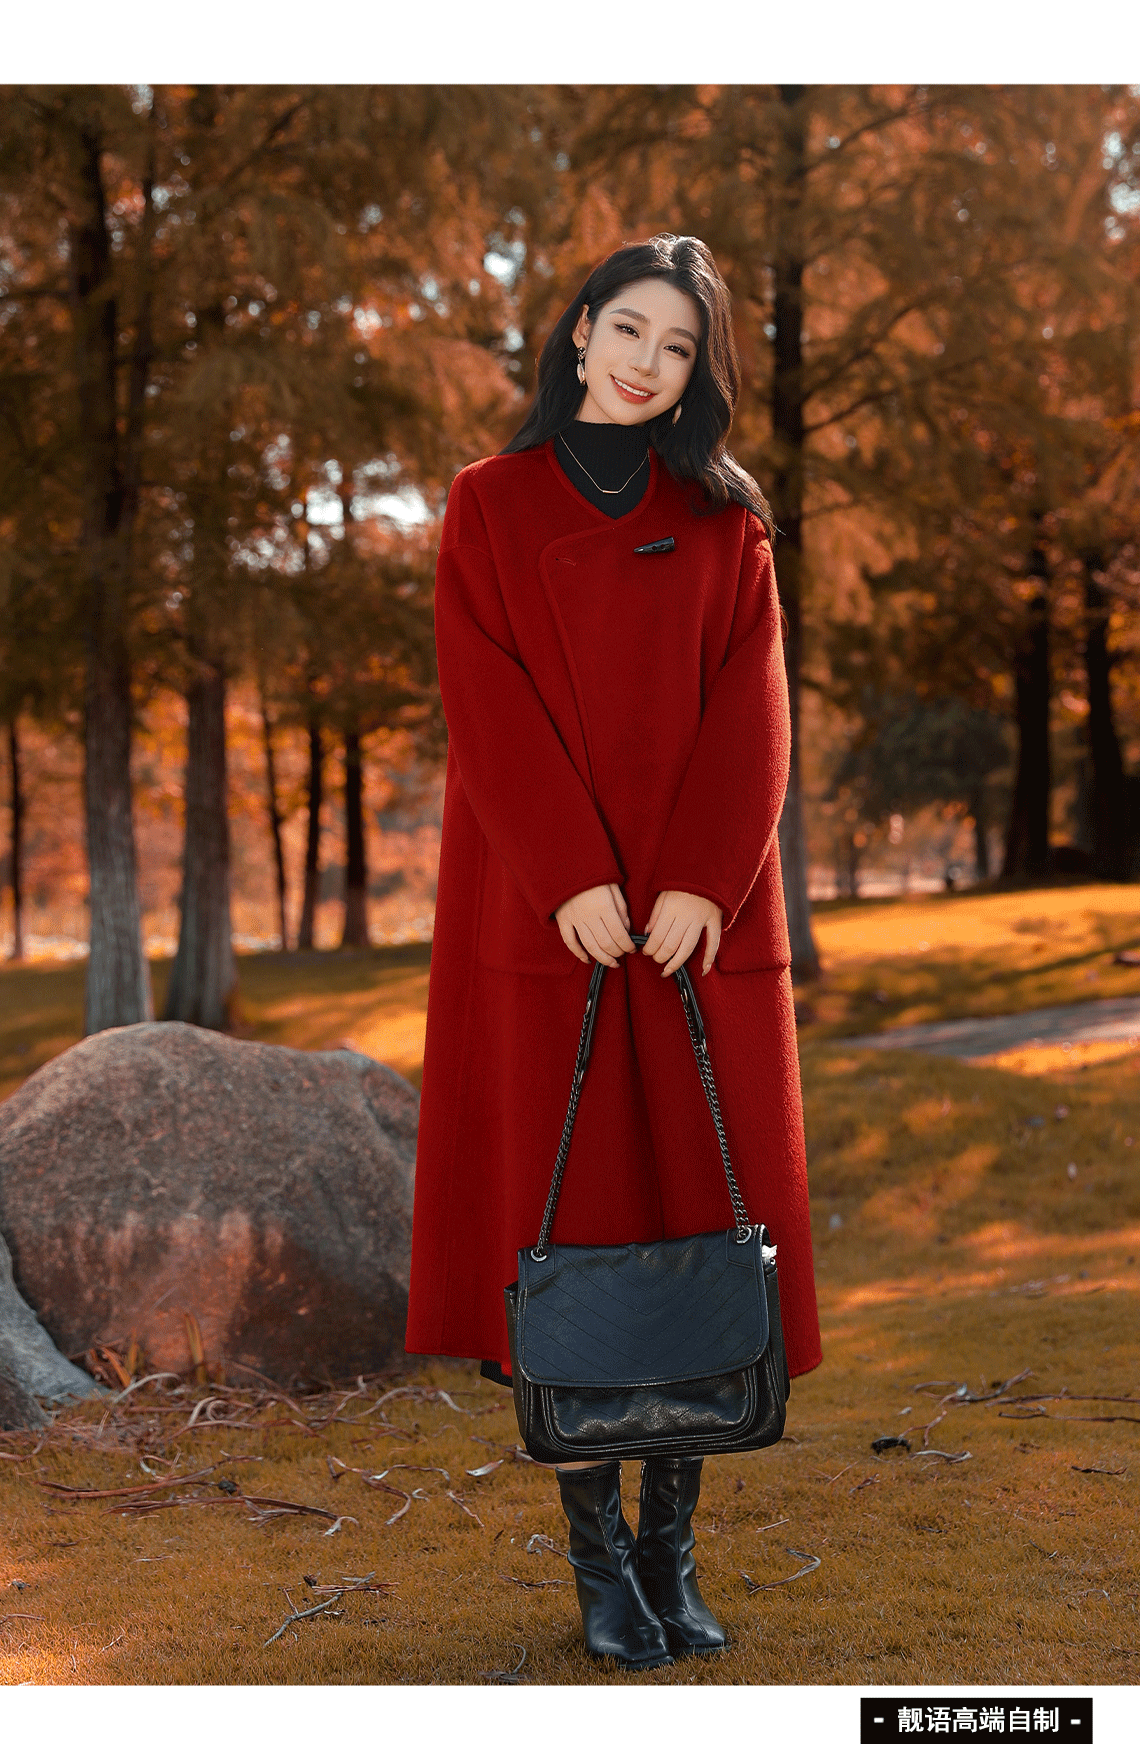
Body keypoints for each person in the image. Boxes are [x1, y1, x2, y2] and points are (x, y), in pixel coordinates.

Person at [405, 233, 821, 1670]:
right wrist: (566, 872)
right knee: (570, 1231)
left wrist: (708, 880)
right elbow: (483, 695)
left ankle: (669, 1553)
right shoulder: (490, 502)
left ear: (698, 374)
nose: (647, 362)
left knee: (699, 1217)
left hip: (695, 931)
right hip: (552, 921)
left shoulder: (727, 523)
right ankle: (597, 1568)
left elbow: (755, 708)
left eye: (678, 347)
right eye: (628, 329)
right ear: (580, 332)